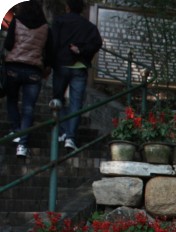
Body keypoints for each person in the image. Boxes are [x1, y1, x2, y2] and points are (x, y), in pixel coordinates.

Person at [3, 1, 54, 159]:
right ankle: (22, 146)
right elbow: (49, 53)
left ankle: (16, 130)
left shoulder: (16, 21)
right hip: (34, 71)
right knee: (28, 108)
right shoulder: (46, 27)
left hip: (13, 68)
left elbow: (8, 44)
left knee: (12, 100)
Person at [51, 0, 102, 151]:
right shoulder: (88, 26)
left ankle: (62, 131)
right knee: (76, 103)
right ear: (81, 9)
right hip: (79, 67)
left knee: (58, 100)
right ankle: (70, 137)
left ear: (67, 7)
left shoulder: (59, 21)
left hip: (61, 65)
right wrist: (82, 50)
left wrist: (49, 63)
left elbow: (53, 43)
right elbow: (97, 43)